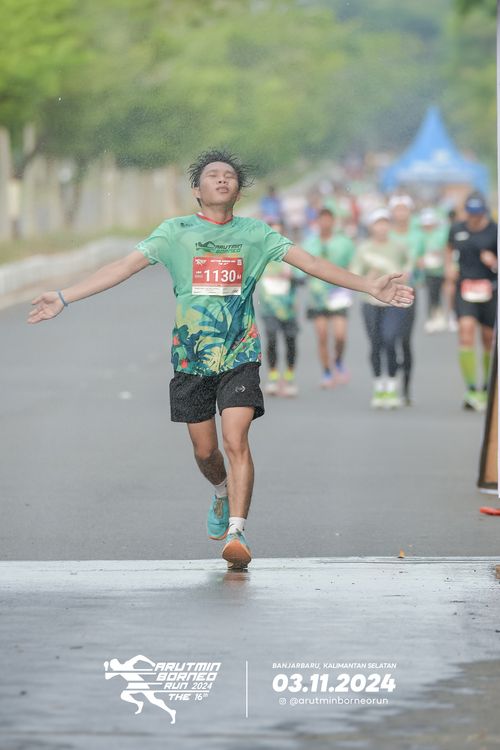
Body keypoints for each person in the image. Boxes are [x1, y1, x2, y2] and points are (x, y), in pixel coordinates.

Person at [27, 149, 413, 569]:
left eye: (229, 176)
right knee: (206, 452)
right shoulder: (174, 233)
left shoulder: (256, 234)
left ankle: (237, 532)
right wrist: (64, 296)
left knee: (235, 440)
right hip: (191, 359)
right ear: (197, 190)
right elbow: (123, 267)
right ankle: (220, 491)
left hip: (240, 354)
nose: (222, 179)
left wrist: (368, 286)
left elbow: (312, 263)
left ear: (239, 191)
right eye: (213, 175)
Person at [352, 208, 411, 409]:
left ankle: (392, 386)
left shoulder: (398, 246)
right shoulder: (364, 249)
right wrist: (370, 276)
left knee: (390, 340)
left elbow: (408, 269)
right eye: (378, 223)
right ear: (371, 227)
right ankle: (379, 386)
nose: (382, 227)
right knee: (375, 343)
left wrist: (402, 277)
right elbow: (354, 273)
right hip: (370, 302)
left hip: (393, 301)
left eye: (385, 222)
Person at [446, 192, 497, 411]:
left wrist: (494, 262)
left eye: (478, 214)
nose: (474, 218)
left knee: (488, 338)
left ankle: (487, 388)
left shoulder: (494, 230)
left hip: (489, 289)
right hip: (465, 288)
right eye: (471, 213)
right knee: (466, 331)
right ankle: (471, 389)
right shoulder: (457, 229)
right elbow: (449, 249)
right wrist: (449, 268)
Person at [304, 208, 356, 387]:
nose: (325, 224)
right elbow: (302, 268)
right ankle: (326, 371)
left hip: (338, 293)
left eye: (328, 220)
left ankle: (338, 360)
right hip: (317, 296)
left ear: (333, 222)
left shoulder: (344, 242)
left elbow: (352, 264)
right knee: (322, 335)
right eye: (322, 220)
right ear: (317, 222)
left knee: (340, 335)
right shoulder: (310, 243)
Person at [258, 220, 301, 397]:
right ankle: (273, 376)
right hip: (269, 308)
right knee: (272, 339)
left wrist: (291, 277)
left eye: (279, 233)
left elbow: (304, 278)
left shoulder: (291, 257)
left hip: (288, 308)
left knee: (290, 342)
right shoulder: (262, 257)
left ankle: (289, 377)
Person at [389, 195, 424, 406]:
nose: (401, 213)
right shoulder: (386, 234)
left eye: (404, 209)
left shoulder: (418, 236)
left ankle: (406, 388)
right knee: (389, 339)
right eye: (397, 209)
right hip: (386, 293)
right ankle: (391, 381)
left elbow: (421, 261)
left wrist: (418, 266)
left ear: (410, 212)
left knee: (404, 340)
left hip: (409, 291)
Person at [418, 208, 448, 333]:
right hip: (428, 272)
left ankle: (441, 317)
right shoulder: (421, 236)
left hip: (442, 270)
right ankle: (431, 318)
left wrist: (440, 253)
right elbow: (418, 253)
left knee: (441, 295)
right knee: (431, 295)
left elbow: (446, 249)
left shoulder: (441, 234)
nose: (428, 226)